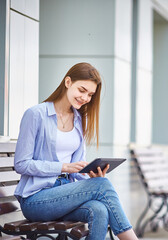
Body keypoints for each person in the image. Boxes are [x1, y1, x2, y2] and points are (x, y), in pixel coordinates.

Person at [14, 62, 138, 240]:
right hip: (36, 199)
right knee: (102, 187)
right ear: (67, 82)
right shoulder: (36, 115)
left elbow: (77, 169)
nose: (85, 98)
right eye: (81, 90)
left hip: (65, 194)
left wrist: (92, 176)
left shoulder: (79, 119)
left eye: (90, 94)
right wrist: (62, 167)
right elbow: (21, 164)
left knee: (100, 209)